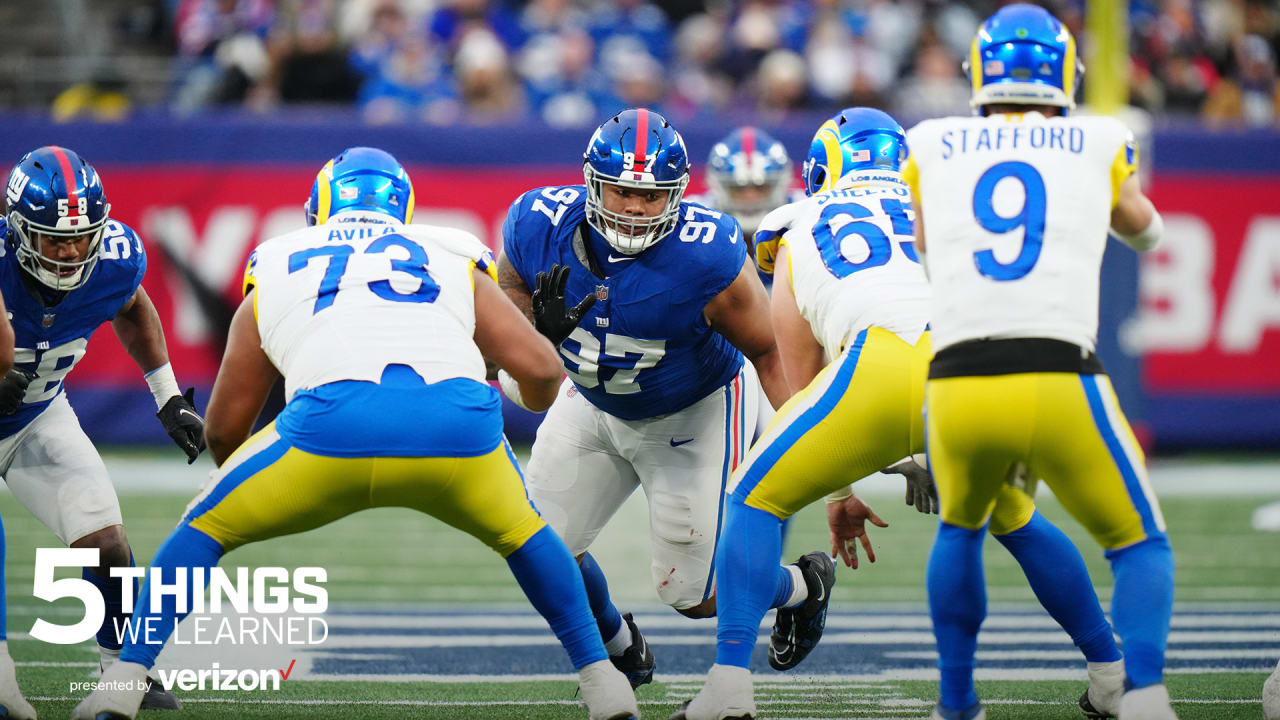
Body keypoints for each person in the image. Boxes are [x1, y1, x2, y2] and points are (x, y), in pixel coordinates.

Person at [72, 147, 639, 720]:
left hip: (328, 429)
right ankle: (602, 681)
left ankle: (124, 680)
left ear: (319, 208)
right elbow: (542, 373)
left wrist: (250, 482)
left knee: (202, 528)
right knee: (528, 534)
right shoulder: (449, 254)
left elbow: (224, 426)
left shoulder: (277, 260)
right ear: (403, 209)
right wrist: (521, 390)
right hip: (458, 433)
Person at [672, 107, 1128, 720]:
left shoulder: (795, 222)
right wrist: (933, 445)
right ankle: (1111, 673)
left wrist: (841, 490)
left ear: (822, 168)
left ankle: (729, 685)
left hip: (879, 364)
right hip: (976, 369)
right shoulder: (951, 204)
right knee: (1014, 519)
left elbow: (802, 380)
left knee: (753, 498)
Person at [906, 5, 1174, 720]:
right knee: (1139, 543)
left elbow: (929, 242)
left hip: (959, 380)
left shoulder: (930, 140)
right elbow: (1143, 228)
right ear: (1065, 72)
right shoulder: (1100, 135)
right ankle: (1142, 694)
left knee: (960, 528)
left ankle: (957, 703)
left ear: (979, 72)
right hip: (1061, 372)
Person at [496, 108, 792, 688]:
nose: (633, 207)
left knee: (696, 595)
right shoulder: (536, 222)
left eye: (650, 196)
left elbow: (769, 351)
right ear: (591, 183)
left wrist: (811, 440)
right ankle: (619, 642)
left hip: (693, 408)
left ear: (677, 195)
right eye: (621, 190)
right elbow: (510, 285)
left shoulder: (706, 252)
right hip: (590, 401)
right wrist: (533, 327)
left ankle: (803, 584)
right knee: (537, 548)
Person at [0, 146, 206, 717]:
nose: (69, 252)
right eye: (52, 239)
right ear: (19, 232)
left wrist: (166, 397)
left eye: (79, 237)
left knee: (107, 543)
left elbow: (132, 304)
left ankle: (122, 667)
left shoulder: (113, 259)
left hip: (35, 415)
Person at [700, 126, 802, 291]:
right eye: (738, 189)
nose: (750, 197)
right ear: (718, 187)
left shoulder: (803, 216)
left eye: (760, 188)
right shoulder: (698, 218)